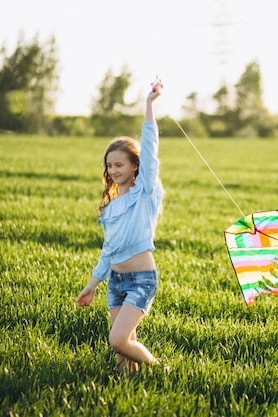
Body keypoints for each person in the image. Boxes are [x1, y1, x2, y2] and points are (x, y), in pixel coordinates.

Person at [76, 76, 164, 374]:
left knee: (117, 340)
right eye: (109, 166)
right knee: (123, 355)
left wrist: (149, 105)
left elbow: (151, 150)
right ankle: (130, 387)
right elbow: (108, 249)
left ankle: (161, 370)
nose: (113, 170)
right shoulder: (111, 207)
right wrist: (92, 285)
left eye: (120, 165)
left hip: (141, 279)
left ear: (135, 166)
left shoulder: (145, 195)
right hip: (116, 282)